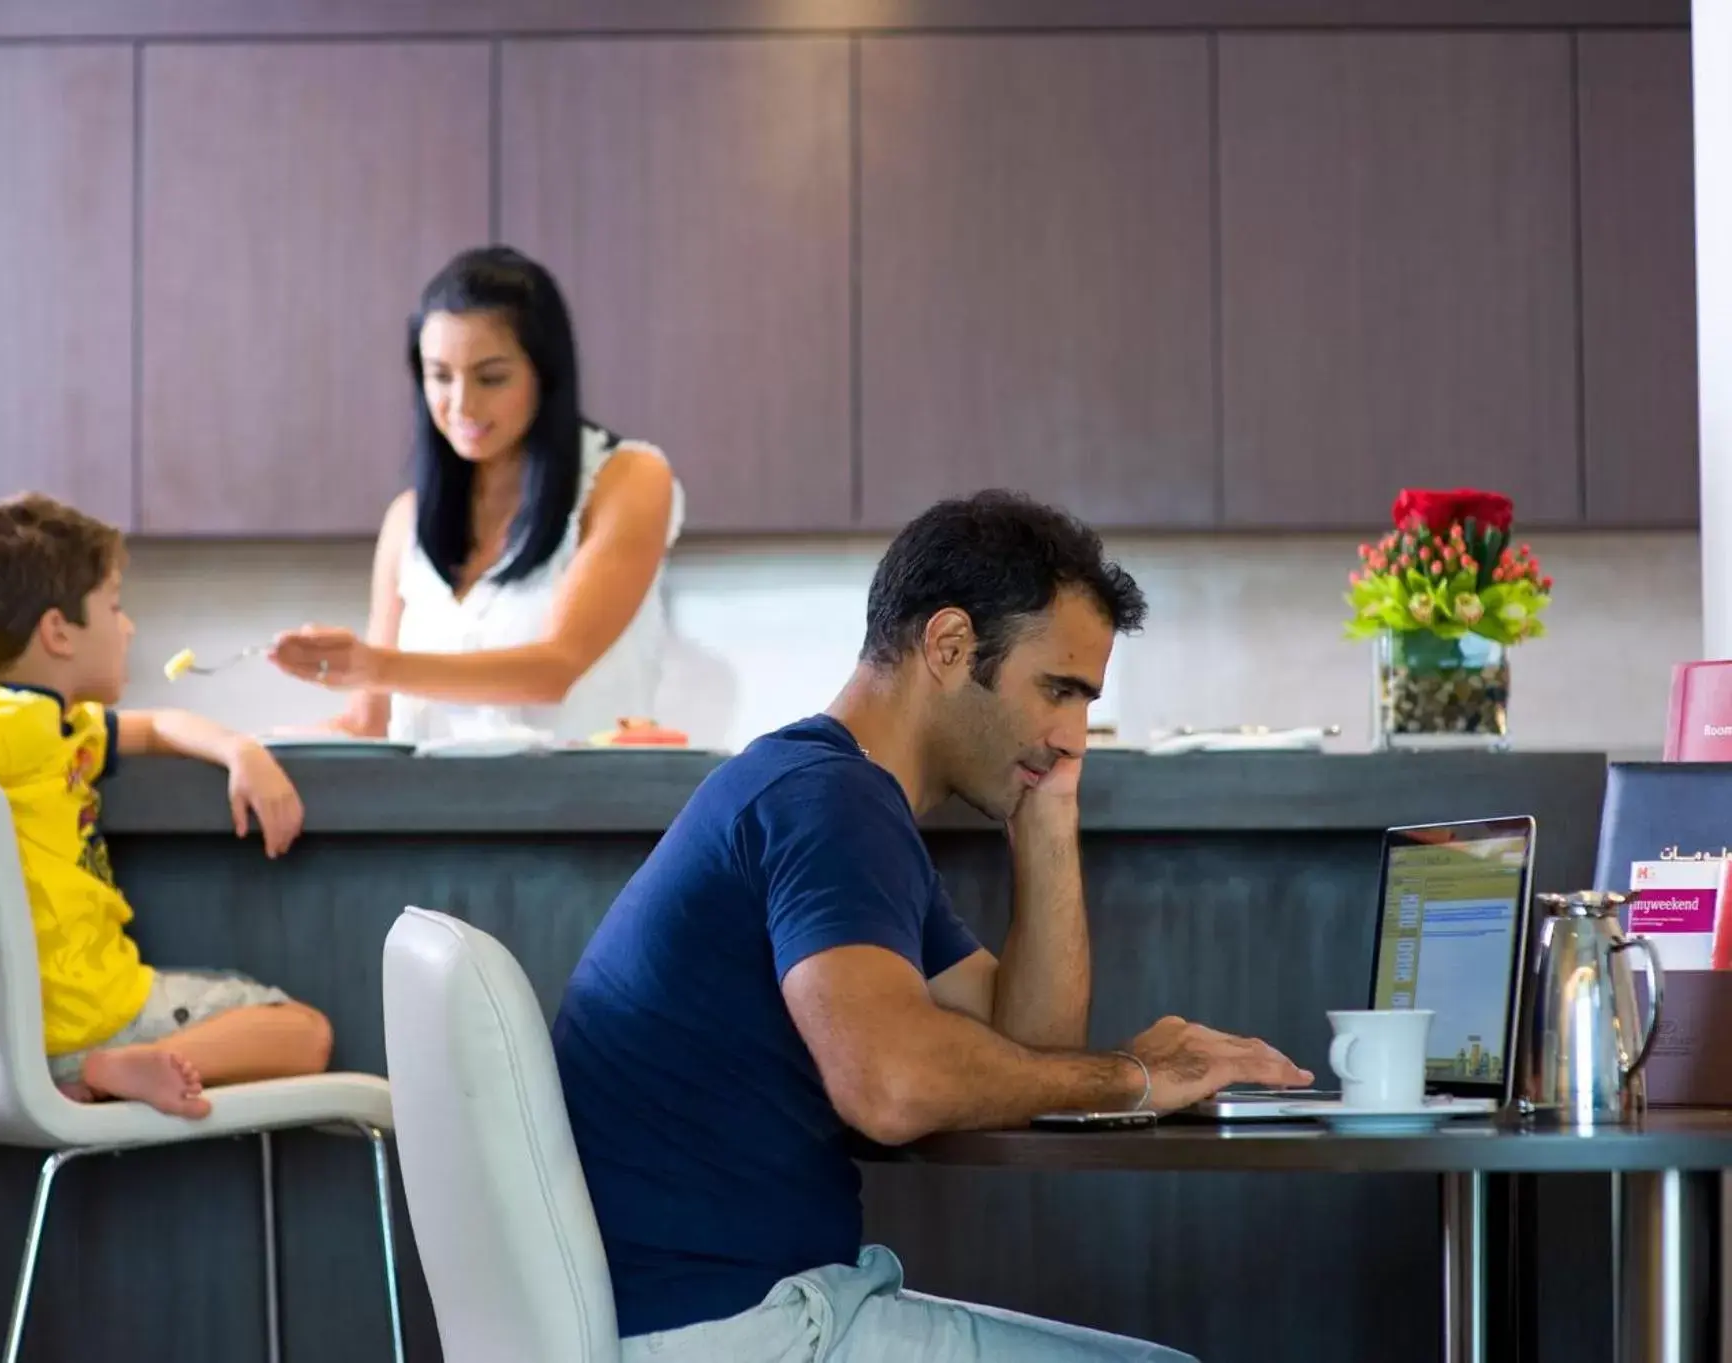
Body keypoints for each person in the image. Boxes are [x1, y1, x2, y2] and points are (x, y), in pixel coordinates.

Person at [550, 491, 1313, 1362]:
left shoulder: (828, 793)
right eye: (1057, 690)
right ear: (949, 647)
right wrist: (1136, 1076)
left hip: (731, 1314)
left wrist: (1047, 816)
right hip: (735, 1328)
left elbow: (1033, 1042)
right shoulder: (831, 802)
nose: (1075, 735)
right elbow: (893, 1085)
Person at [0, 493, 328, 1119]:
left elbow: (155, 729)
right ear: (58, 632)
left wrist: (242, 751)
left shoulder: (51, 722)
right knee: (305, 1032)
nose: (127, 626)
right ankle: (110, 1070)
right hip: (95, 1017)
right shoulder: (11, 724)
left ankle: (112, 1069)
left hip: (57, 1023)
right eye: (114, 605)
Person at [267, 246, 685, 743]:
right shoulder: (408, 518)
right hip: (433, 813)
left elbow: (554, 669)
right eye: (440, 376)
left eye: (491, 378)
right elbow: (367, 722)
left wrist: (376, 666)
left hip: (582, 811)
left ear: (544, 375)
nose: (462, 404)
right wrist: (241, 750)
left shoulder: (630, 477)